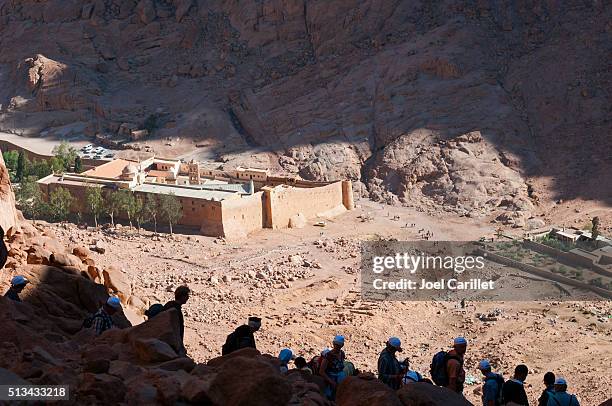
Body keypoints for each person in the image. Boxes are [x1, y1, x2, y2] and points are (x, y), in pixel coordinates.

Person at [162, 285, 190, 356]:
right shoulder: (175, 309)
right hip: (171, 342)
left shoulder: (170, 305)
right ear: (182, 296)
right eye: (186, 295)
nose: (188, 298)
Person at [320, 335, 347, 400]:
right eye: (336, 344)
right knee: (328, 396)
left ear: (342, 345)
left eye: (339, 345)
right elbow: (321, 371)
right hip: (330, 376)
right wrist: (331, 381)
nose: (337, 347)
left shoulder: (342, 353)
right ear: (333, 344)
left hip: (340, 375)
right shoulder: (328, 356)